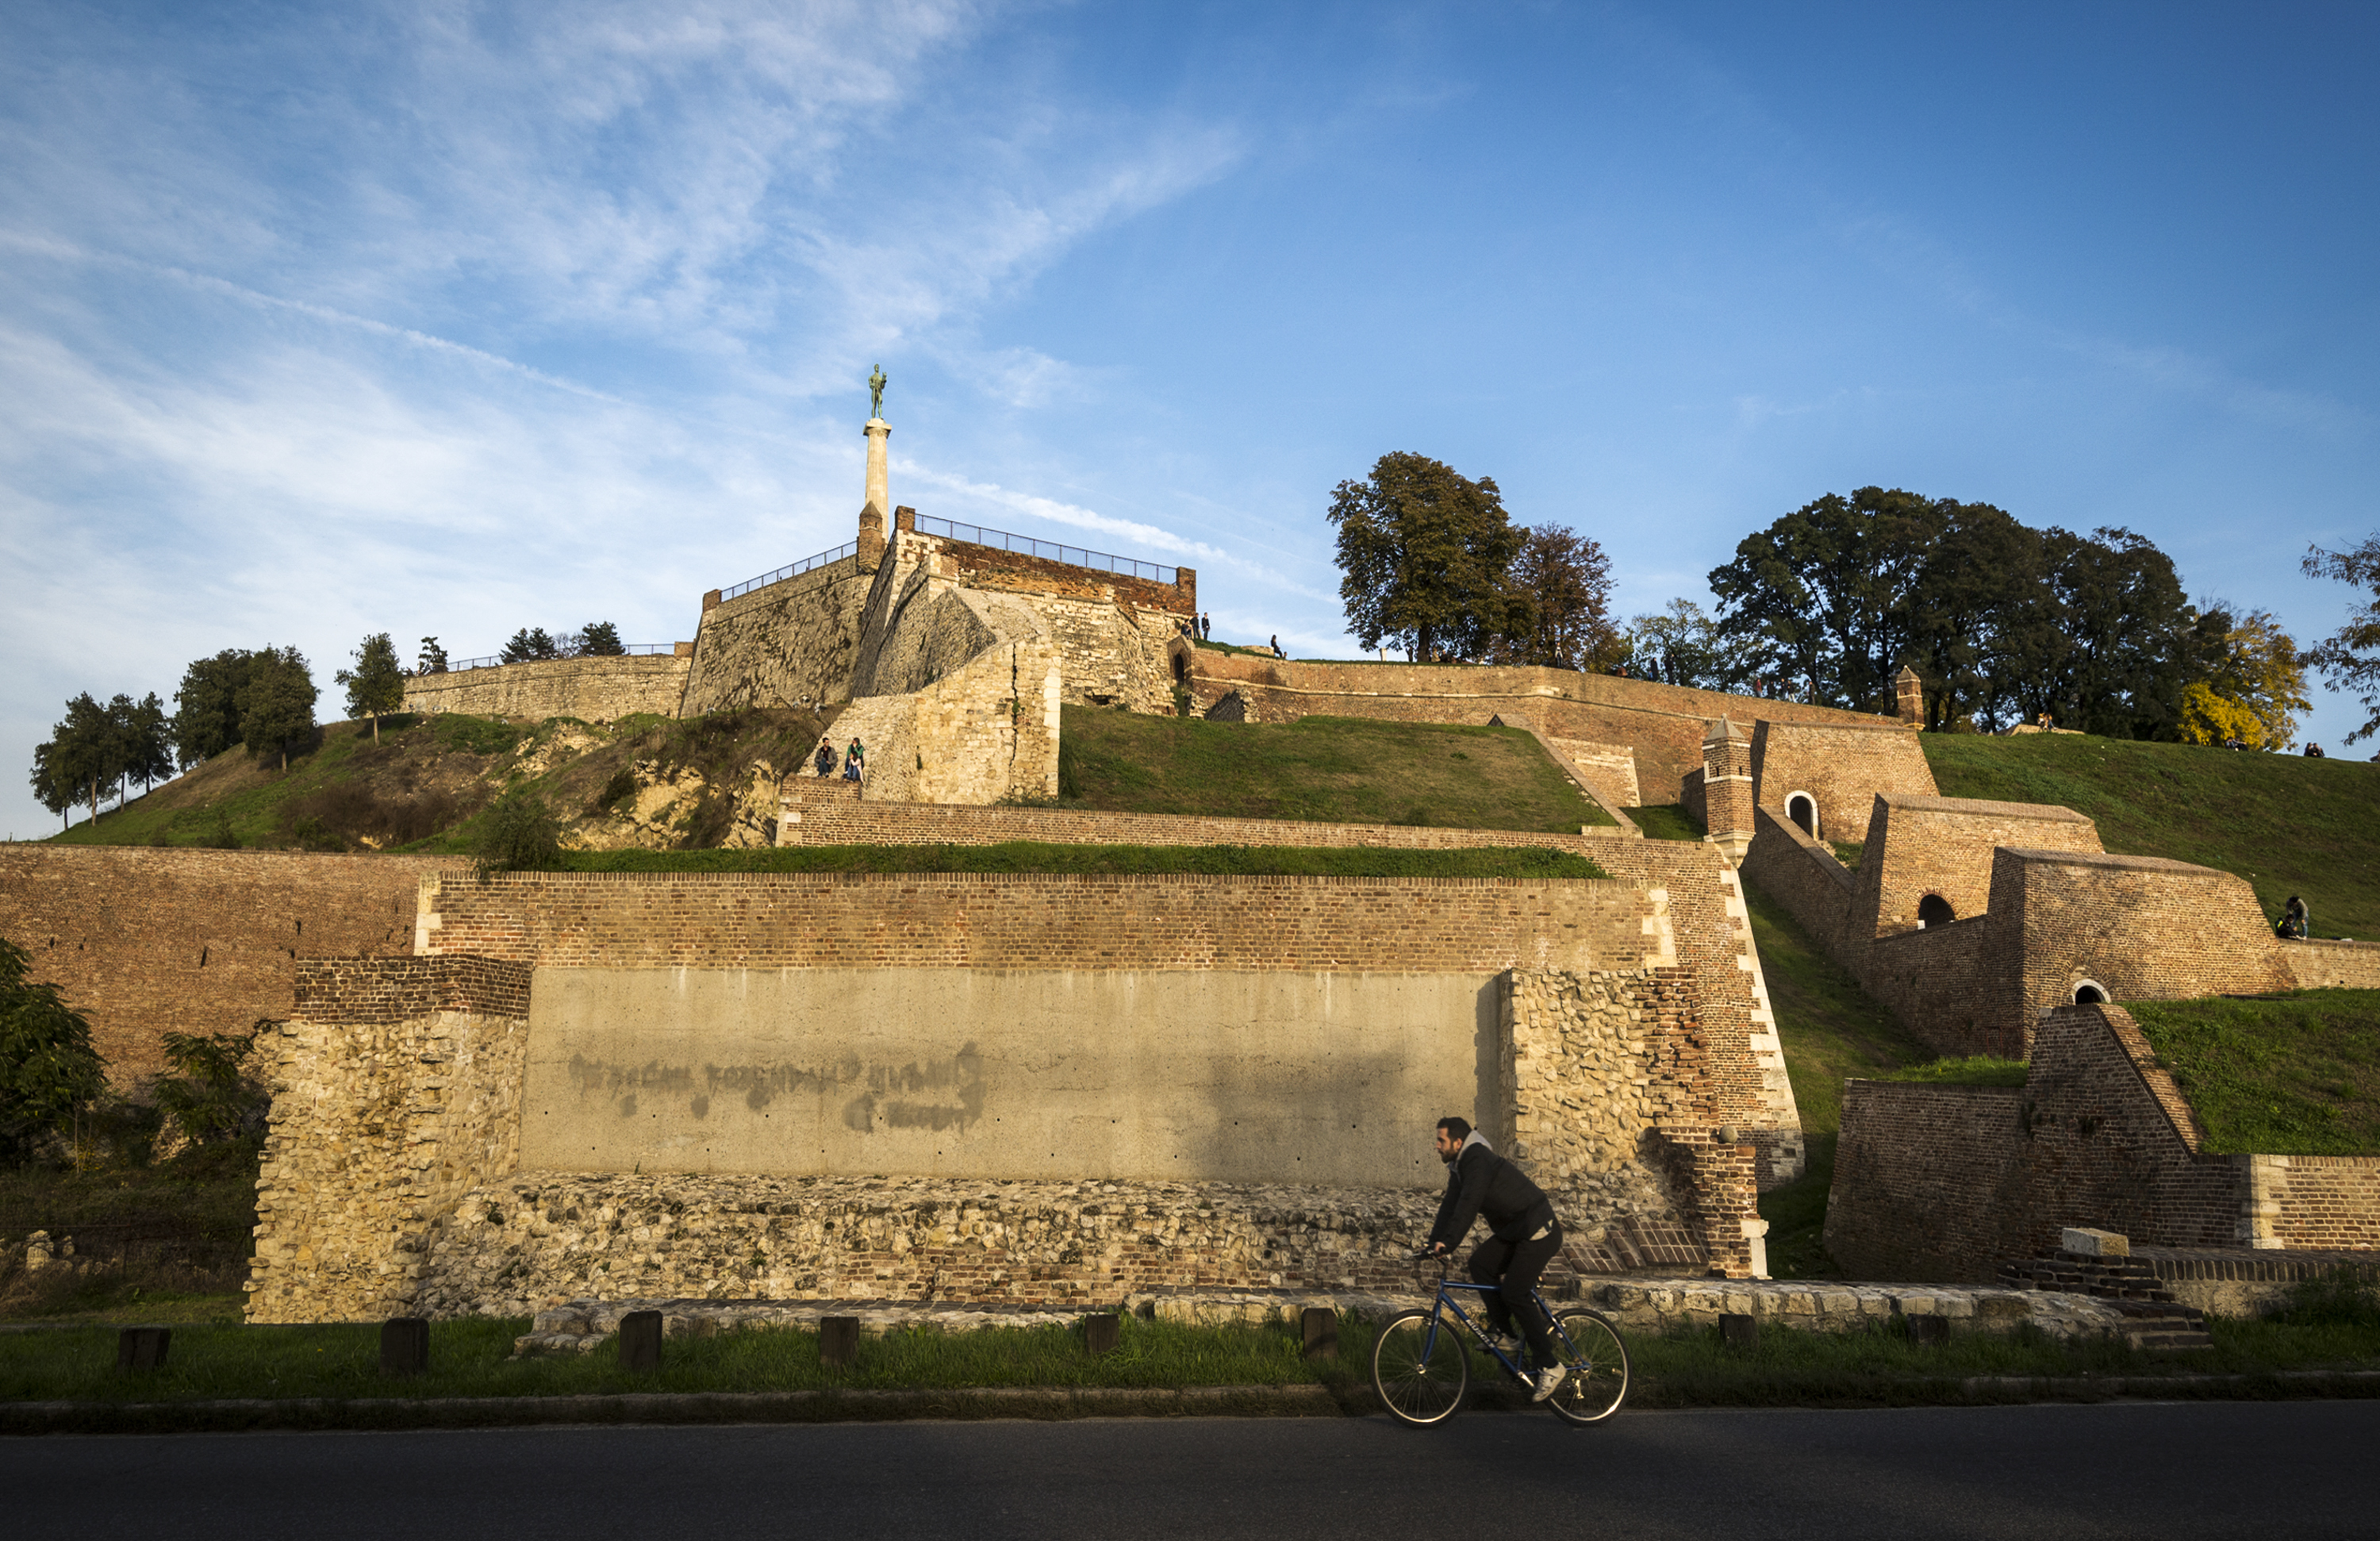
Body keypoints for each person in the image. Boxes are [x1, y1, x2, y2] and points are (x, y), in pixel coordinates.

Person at [1419, 1116, 1567, 1403]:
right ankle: (1506, 1334)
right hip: (1516, 1231)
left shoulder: (1477, 1161)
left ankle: (1550, 1364)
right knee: (1480, 1265)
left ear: (1458, 1143)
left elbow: (1469, 1204)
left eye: (1441, 1141)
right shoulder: (1461, 1166)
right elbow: (1450, 1205)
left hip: (1538, 1229)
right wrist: (1432, 1243)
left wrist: (1448, 1243)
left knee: (1515, 1291)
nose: (1436, 1146)